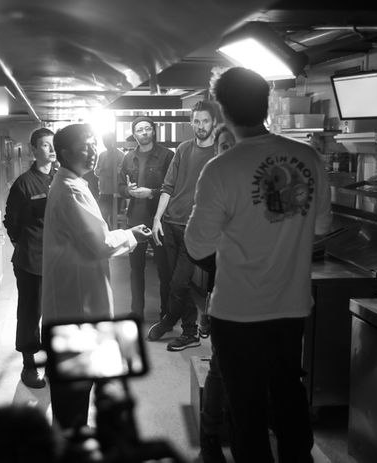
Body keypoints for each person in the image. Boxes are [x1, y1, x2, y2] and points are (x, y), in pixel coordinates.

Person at [185, 67, 332, 463]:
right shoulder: (308, 157)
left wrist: (235, 254)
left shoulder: (220, 169)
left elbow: (196, 244)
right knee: (288, 395)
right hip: (290, 307)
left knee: (246, 408)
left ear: (222, 109)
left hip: (237, 312)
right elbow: (321, 227)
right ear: (266, 103)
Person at [41, 123, 152, 430]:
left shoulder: (73, 183)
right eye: (85, 147)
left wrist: (126, 233)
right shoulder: (71, 190)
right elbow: (100, 243)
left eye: (93, 145)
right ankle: (70, 436)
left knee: (78, 379)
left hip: (77, 297)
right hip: (76, 305)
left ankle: (72, 431)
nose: (92, 152)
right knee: (75, 383)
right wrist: (130, 235)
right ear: (65, 154)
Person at [146, 100, 219, 351]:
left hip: (194, 229)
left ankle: (169, 320)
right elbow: (168, 187)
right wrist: (157, 219)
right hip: (169, 224)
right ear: (191, 123)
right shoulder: (183, 149)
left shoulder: (220, 153)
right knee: (170, 281)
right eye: (196, 121)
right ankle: (189, 331)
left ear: (214, 122)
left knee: (179, 283)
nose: (201, 126)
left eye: (205, 121)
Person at [3, 127, 56, 389]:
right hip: (31, 260)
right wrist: (23, 244)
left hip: (57, 260)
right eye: (45, 145)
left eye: (53, 144)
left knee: (55, 311)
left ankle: (52, 359)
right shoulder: (24, 183)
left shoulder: (60, 179)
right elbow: (11, 221)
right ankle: (28, 364)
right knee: (30, 312)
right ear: (34, 150)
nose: (52, 149)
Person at [195, 123, 235, 463]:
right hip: (227, 293)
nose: (229, 149)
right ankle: (210, 437)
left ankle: (242, 431)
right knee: (221, 368)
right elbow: (198, 245)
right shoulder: (214, 184)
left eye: (234, 143)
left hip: (265, 298)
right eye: (223, 144)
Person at [117, 116, 174, 321]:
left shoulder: (167, 156)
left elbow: (172, 188)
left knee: (164, 270)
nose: (144, 132)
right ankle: (136, 311)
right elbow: (120, 186)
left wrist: (151, 192)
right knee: (136, 269)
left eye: (147, 128)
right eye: (140, 130)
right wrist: (129, 191)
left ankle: (166, 314)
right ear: (134, 134)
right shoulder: (128, 158)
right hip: (135, 220)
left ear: (153, 131)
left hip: (159, 220)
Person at [94, 132, 125, 229]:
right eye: (104, 140)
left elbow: (120, 172)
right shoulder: (102, 155)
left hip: (115, 193)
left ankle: (115, 235)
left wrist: (106, 171)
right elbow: (96, 171)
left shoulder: (120, 155)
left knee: (114, 219)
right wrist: (102, 171)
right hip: (103, 192)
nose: (106, 143)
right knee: (101, 217)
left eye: (108, 140)